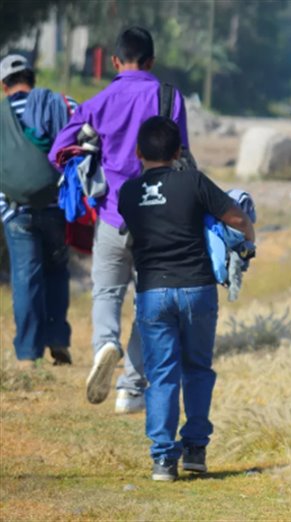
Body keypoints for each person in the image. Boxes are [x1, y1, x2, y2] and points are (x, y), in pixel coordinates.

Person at [50, 27, 190, 413]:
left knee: (107, 293)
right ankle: (130, 387)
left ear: (115, 61)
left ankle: (104, 345)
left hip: (113, 216)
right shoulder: (168, 97)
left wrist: (91, 147)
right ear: (152, 61)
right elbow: (184, 154)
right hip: (159, 222)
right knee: (150, 302)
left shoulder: (98, 101)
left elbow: (58, 151)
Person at [118, 116, 255, 481]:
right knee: (197, 369)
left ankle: (164, 460)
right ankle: (195, 450)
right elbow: (237, 218)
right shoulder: (193, 182)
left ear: (138, 152)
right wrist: (249, 239)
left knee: (162, 375)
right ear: (179, 151)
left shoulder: (128, 193)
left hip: (153, 293)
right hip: (197, 290)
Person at [1, 54, 76, 368]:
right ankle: (57, 339)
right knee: (57, 272)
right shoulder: (61, 103)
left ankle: (28, 353)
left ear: (4, 85)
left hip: (16, 211)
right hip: (56, 206)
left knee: (25, 277)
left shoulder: (3, 112)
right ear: (31, 78)